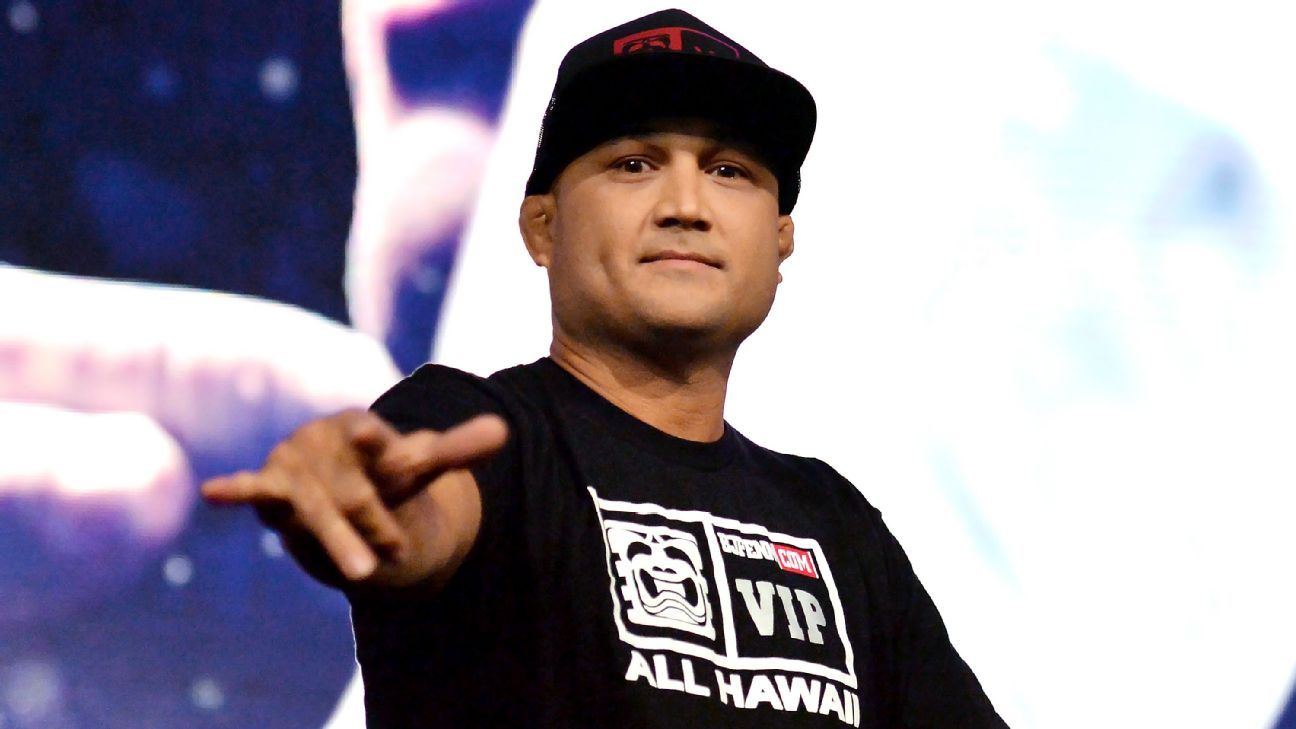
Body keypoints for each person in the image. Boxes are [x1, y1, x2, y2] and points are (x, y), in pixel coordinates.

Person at [203, 8, 1007, 727]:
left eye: (730, 170)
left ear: (780, 240)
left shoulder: (838, 524)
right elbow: (422, 514)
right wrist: (371, 502)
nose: (686, 205)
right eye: (634, 163)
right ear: (541, 226)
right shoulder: (480, 431)